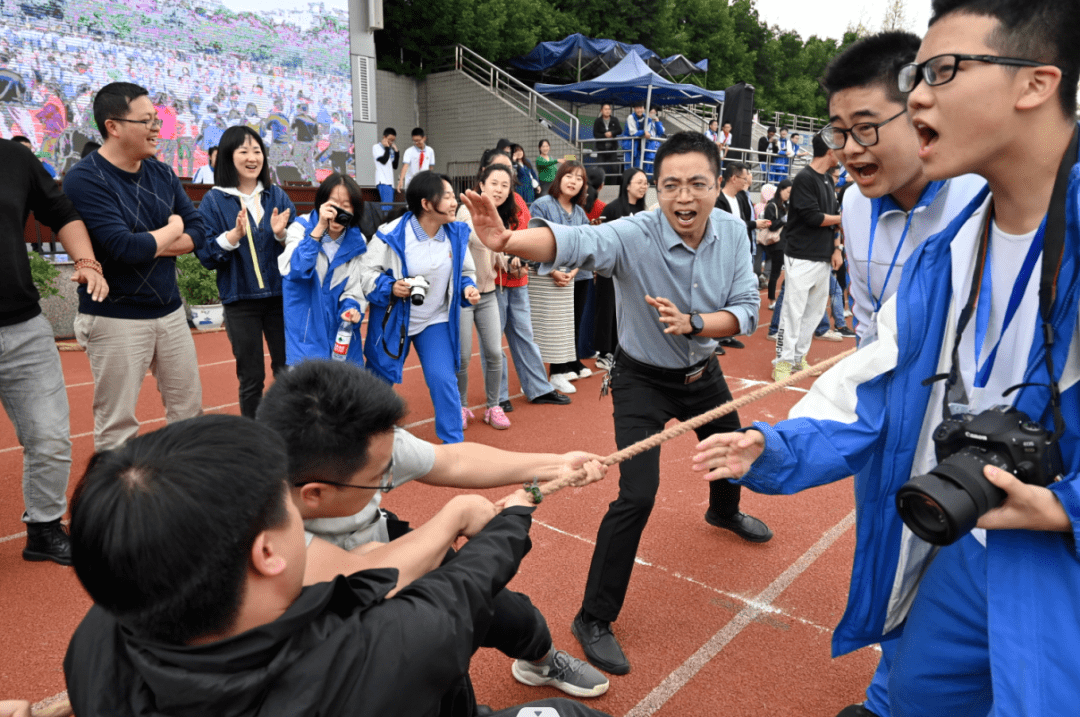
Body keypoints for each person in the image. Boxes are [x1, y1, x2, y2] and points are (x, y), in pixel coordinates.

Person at [694, 2, 1080, 714]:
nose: (922, 93)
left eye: (941, 71)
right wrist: (776, 443)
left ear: (1036, 84)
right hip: (975, 536)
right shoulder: (948, 252)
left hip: (1059, 559)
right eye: (915, 74)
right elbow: (879, 376)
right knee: (910, 692)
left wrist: (1066, 506)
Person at [462, 131, 771, 676]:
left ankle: (723, 511)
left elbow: (746, 307)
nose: (684, 197)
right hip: (640, 380)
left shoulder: (732, 229)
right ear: (655, 188)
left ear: (716, 185)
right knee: (638, 495)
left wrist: (696, 323)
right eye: (671, 184)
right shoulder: (633, 232)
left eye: (697, 184)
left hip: (703, 372)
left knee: (731, 450)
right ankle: (592, 618)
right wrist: (506, 241)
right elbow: (570, 243)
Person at [63, 414, 613, 717]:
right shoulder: (366, 657)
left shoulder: (94, 643)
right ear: (267, 553)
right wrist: (511, 517)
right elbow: (456, 597)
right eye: (287, 505)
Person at [256, 360, 611, 699]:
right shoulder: (258, 525)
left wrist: (556, 464)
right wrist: (454, 516)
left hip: (375, 548)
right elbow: (356, 576)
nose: (389, 476)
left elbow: (452, 460)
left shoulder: (363, 441)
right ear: (314, 495)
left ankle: (541, 661)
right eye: (380, 477)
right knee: (427, 658)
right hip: (328, 619)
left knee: (500, 608)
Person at [64, 82, 206, 453]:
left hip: (171, 311)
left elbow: (199, 232)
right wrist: (172, 228)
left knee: (189, 415)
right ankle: (115, 509)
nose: (157, 128)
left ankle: (187, 497)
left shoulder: (161, 172)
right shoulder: (86, 178)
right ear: (114, 126)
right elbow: (125, 248)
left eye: (156, 119)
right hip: (115, 317)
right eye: (147, 121)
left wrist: (152, 242)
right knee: (118, 426)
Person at [1, 137, 108, 566]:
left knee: (50, 437)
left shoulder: (13, 157)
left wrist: (87, 263)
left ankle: (44, 529)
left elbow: (62, 213)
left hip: (23, 327)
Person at [360, 171, 479, 444]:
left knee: (443, 380)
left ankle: (454, 444)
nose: (454, 202)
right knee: (378, 384)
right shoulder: (390, 234)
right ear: (426, 204)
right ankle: (366, 442)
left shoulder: (455, 234)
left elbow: (465, 272)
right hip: (393, 322)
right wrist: (390, 286)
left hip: (434, 320)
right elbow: (366, 275)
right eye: (447, 196)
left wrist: (466, 288)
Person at [195, 125, 295, 418]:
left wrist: (281, 236)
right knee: (251, 378)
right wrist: (234, 236)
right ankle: (254, 440)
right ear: (228, 156)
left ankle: (291, 434)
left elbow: (301, 247)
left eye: (257, 151)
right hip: (240, 300)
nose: (253, 158)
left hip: (280, 298)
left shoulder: (277, 196)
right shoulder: (214, 201)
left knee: (287, 371)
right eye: (244, 151)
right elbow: (207, 255)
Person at [278, 172, 367, 366]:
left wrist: (351, 309)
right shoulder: (300, 229)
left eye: (346, 205)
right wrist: (318, 229)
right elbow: (297, 269)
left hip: (342, 338)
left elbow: (355, 289)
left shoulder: (358, 243)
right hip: (305, 337)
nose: (338, 211)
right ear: (321, 203)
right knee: (307, 394)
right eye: (333, 203)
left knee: (347, 394)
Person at [771, 133, 840, 381]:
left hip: (822, 257)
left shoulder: (829, 181)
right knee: (793, 312)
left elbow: (831, 219)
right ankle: (782, 362)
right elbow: (814, 218)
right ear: (830, 152)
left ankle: (799, 357)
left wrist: (837, 249)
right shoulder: (804, 178)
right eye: (838, 149)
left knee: (814, 312)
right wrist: (844, 220)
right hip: (800, 256)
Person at [456, 162, 513, 431]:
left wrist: (508, 261)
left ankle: (494, 406)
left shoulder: (496, 216)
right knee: (463, 356)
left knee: (494, 353)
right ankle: (461, 405)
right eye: (494, 183)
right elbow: (479, 240)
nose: (499, 189)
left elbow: (494, 250)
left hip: (489, 294)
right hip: (465, 296)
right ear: (481, 185)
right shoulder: (466, 212)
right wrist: (499, 237)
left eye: (505, 185)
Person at [529, 161, 590, 394]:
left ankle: (563, 368)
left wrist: (572, 272)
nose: (573, 181)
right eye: (569, 176)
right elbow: (534, 241)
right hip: (547, 276)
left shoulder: (580, 212)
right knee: (548, 326)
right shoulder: (543, 205)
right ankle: (553, 372)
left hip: (575, 275)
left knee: (570, 324)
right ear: (559, 178)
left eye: (579, 178)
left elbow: (585, 246)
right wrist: (554, 271)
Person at [594, 168, 648, 370]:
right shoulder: (612, 209)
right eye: (639, 182)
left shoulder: (644, 212)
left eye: (646, 183)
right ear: (627, 185)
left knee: (629, 310)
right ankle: (603, 353)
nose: (644, 186)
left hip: (634, 271)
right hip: (611, 269)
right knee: (607, 309)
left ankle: (623, 349)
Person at [715, 161, 772, 338]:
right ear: (733, 178)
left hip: (738, 252)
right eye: (744, 177)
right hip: (723, 252)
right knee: (719, 292)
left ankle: (727, 334)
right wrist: (754, 224)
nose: (747, 181)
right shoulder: (719, 200)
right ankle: (716, 336)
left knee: (733, 293)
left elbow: (740, 226)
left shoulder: (739, 199)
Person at [762, 178, 791, 309]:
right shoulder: (772, 205)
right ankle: (772, 300)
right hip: (776, 243)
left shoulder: (786, 205)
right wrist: (784, 220)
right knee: (775, 272)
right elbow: (770, 225)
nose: (789, 195)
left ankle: (781, 298)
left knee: (786, 271)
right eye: (788, 192)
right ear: (781, 190)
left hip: (786, 242)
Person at [398, 127, 434, 192]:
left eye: (419, 140)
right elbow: (405, 166)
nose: (417, 142)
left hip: (424, 184)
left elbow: (430, 167)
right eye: (414, 141)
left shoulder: (430, 151)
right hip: (411, 184)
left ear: (424, 138)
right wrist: (401, 181)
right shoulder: (409, 151)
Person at [373, 127, 399, 210]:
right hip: (383, 181)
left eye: (393, 140)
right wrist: (387, 148)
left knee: (390, 207)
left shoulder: (390, 150)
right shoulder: (376, 147)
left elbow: (395, 166)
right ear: (384, 137)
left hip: (390, 182)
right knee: (386, 208)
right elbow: (383, 160)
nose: (391, 142)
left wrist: (396, 152)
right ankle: (385, 223)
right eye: (389, 140)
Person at [593, 104, 622, 176]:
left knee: (614, 168)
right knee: (600, 168)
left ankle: (615, 185)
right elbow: (595, 134)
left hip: (612, 148)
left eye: (609, 109)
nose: (607, 111)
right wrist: (604, 135)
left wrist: (612, 133)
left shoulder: (614, 120)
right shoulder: (598, 121)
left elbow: (620, 130)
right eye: (605, 109)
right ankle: (601, 184)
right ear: (601, 110)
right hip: (601, 148)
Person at [623, 104, 649, 170]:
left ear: (644, 109)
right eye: (637, 108)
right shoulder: (630, 117)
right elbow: (633, 132)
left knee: (638, 167)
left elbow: (649, 131)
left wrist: (646, 132)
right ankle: (628, 180)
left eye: (641, 107)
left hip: (639, 146)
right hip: (629, 145)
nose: (639, 110)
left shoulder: (646, 118)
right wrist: (644, 132)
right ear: (634, 109)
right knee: (628, 166)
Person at [642, 108, 666, 176]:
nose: (653, 114)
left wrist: (657, 121)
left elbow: (661, 132)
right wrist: (649, 120)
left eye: (654, 113)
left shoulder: (659, 123)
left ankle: (653, 181)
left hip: (656, 147)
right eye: (651, 112)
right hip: (649, 147)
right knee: (647, 165)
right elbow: (646, 131)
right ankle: (647, 180)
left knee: (655, 166)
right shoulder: (646, 122)